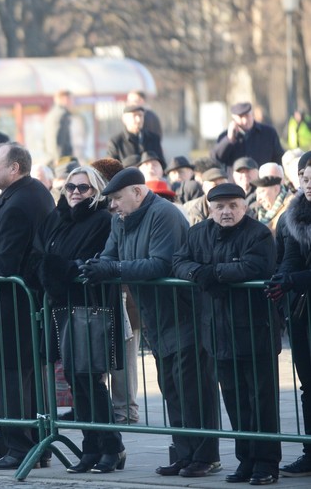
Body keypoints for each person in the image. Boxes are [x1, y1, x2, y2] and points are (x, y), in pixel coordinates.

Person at [80, 167, 220, 477]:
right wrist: (94, 267)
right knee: (171, 388)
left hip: (184, 315)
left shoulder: (164, 214)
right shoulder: (122, 220)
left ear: (137, 192)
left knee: (193, 388)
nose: (112, 206)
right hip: (156, 317)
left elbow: (160, 263)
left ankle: (206, 456)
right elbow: (109, 255)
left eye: (117, 198)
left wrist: (112, 270)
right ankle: (185, 454)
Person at [175, 183, 280, 485]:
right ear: (210, 209)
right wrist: (199, 273)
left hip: (255, 331)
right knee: (234, 401)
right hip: (217, 334)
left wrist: (215, 273)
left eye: (233, 205)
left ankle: (266, 464)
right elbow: (179, 262)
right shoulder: (198, 234)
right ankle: (245, 460)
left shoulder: (258, 233)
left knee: (262, 402)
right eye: (220, 206)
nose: (226, 211)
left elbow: (257, 266)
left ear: (244, 207)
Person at [34, 166, 124, 473]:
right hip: (61, 306)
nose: (75, 192)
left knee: (90, 379)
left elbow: (88, 264)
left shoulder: (103, 220)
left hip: (91, 307)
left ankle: (111, 446)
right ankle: (90, 447)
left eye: (83, 187)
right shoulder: (57, 219)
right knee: (75, 378)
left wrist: (56, 268)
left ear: (95, 191)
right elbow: (42, 257)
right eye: (70, 186)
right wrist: (54, 268)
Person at [0, 143, 55, 470]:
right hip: (16, 308)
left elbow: (5, 263)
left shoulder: (21, 202)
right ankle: (37, 448)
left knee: (12, 384)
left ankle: (19, 449)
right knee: (26, 382)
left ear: (15, 168)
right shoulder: (27, 193)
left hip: (11, 309)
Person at [267, 161, 311, 478]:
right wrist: (280, 282)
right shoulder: (292, 216)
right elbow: (288, 259)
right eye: (304, 177)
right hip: (302, 313)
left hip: (302, 295)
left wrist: (293, 281)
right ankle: (310, 452)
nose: (308, 183)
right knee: (308, 386)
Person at [211, 102, 283, 170]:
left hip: (263, 180)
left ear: (252, 115)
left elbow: (279, 157)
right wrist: (229, 140)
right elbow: (216, 159)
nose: (245, 121)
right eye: (241, 117)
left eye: (247, 116)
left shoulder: (268, 133)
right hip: (235, 181)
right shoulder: (225, 136)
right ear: (234, 118)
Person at [251, 163, 293, 236]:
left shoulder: (292, 207)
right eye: (257, 194)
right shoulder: (255, 211)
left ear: (276, 190)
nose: (258, 199)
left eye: (262, 192)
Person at [41, 90, 75, 166]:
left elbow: (44, 139)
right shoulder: (63, 114)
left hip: (50, 158)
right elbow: (59, 138)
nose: (72, 102)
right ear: (65, 99)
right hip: (61, 160)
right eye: (71, 99)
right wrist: (58, 159)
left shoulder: (50, 114)